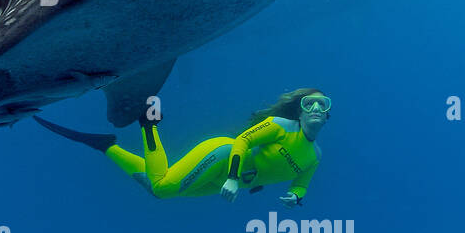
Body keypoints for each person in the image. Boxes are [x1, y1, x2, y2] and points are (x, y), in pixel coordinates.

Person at [35, 88, 329, 207]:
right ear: (300, 111)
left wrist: (294, 196)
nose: (315, 107)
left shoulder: (313, 157)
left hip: (229, 182)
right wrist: (232, 177)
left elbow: (301, 184)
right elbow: (243, 141)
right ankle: (148, 122)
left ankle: (107, 147)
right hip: (222, 158)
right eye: (308, 103)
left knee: (157, 188)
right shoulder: (281, 126)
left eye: (322, 105)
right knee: (163, 188)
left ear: (327, 115)